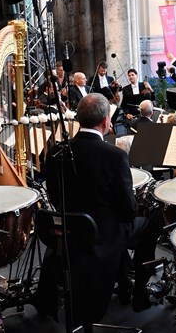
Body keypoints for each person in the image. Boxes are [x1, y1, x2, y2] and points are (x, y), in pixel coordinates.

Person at [40, 94, 157, 316]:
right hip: (104, 235)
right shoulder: (114, 156)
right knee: (150, 224)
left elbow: (54, 196)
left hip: (69, 231)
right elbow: (128, 210)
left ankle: (123, 282)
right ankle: (139, 294)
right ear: (106, 122)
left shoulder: (56, 152)